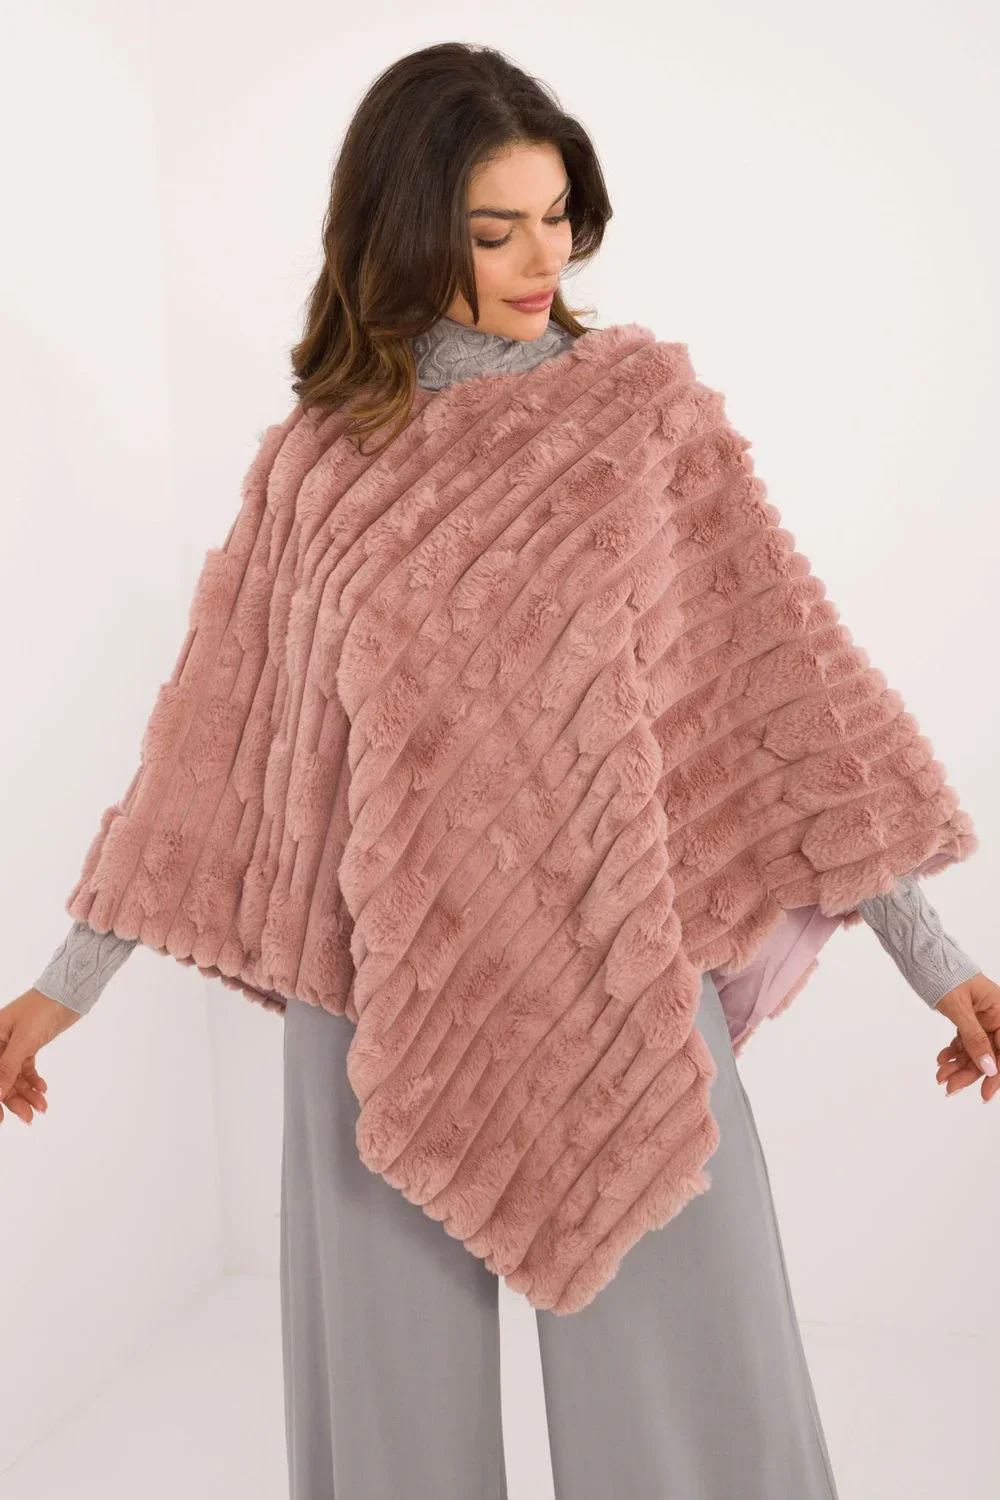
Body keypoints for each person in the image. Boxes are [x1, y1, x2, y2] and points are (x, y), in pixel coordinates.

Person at [3, 41, 997, 1500]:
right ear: (409, 231)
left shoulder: (642, 417)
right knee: (387, 1422)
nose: (545, 260)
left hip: (620, 958)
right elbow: (214, 745)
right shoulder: (324, 460)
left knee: (700, 1401)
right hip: (374, 976)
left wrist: (936, 956)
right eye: (496, 230)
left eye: (559, 217)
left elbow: (784, 697)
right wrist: (62, 987)